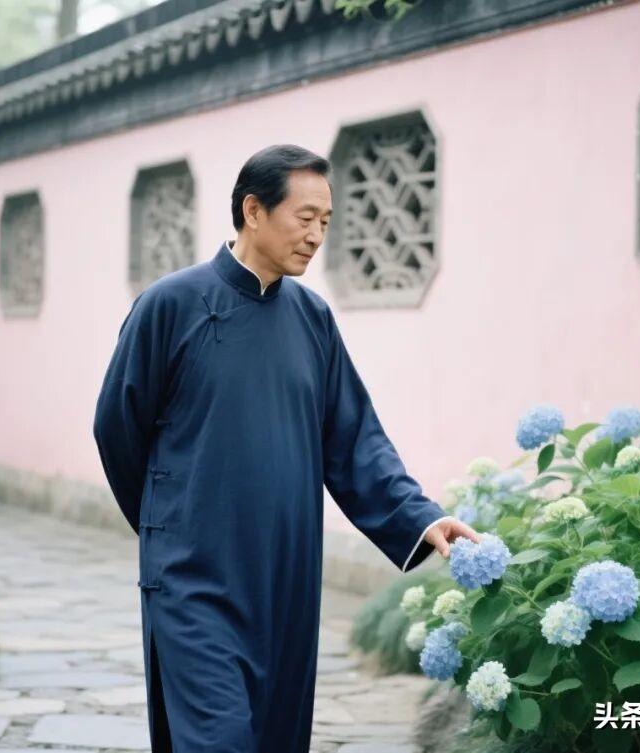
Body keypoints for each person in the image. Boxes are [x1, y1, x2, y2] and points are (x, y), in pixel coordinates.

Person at [92, 144, 479, 752]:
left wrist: (419, 517)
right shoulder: (171, 305)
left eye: (326, 221)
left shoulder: (312, 319)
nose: (317, 235)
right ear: (253, 210)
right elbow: (117, 427)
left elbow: (353, 438)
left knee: (275, 736)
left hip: (286, 576)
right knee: (217, 738)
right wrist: (166, 523)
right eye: (305, 218)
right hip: (194, 575)